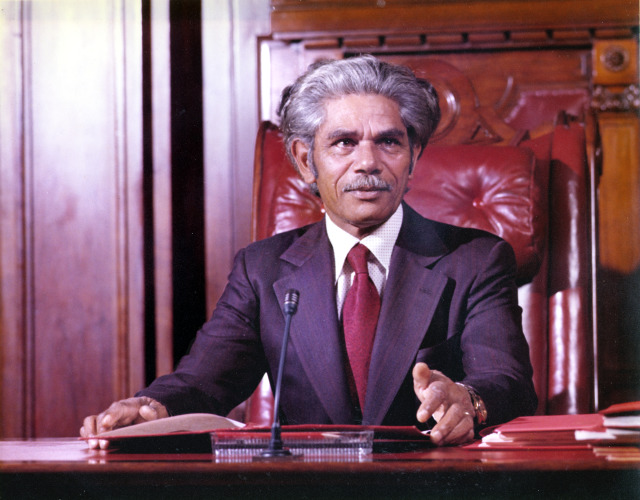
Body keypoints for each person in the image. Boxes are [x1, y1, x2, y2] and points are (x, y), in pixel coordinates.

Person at [81, 55, 537, 448]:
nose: (368, 162)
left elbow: (507, 382)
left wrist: (468, 401)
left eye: (389, 142)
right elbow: (203, 383)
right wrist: (150, 406)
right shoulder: (262, 270)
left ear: (413, 156)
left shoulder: (476, 259)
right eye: (343, 143)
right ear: (305, 160)